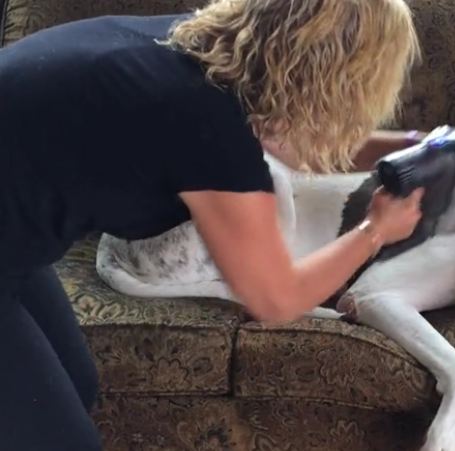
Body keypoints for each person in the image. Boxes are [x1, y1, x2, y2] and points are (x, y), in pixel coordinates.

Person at [0, 0, 423, 449]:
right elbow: (276, 299)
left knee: (75, 382)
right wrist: (375, 231)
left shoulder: (201, 53)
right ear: (336, 80)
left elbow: (294, 142)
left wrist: (417, 144)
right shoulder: (206, 128)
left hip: (16, 241)